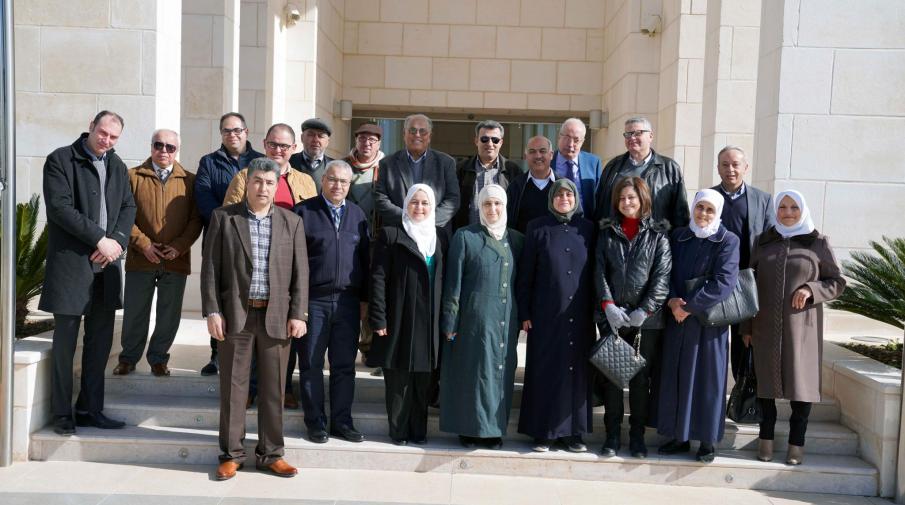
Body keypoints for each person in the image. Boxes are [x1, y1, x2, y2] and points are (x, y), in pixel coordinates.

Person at [201, 157, 309, 481]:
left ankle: (271, 454)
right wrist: (212, 310)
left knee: (274, 389)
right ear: (248, 183)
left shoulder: (292, 222)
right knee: (233, 389)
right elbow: (209, 268)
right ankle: (232, 454)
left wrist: (298, 314)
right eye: (258, 181)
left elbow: (300, 273)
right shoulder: (224, 218)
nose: (263, 187)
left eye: (269, 182)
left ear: (278, 186)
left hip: (276, 317)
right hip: (236, 315)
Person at [40, 110, 136, 436]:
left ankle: (90, 409)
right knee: (65, 346)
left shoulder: (117, 165)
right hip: (71, 268)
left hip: (106, 268)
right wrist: (100, 239)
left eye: (113, 137)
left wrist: (118, 242)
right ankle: (62, 414)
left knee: (99, 345)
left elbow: (128, 207)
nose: (106, 141)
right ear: (90, 127)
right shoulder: (60, 160)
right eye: (103, 133)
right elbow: (60, 209)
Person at [741, 190, 845, 466]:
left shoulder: (817, 243)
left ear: (803, 209)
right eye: (782, 207)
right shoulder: (763, 241)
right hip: (764, 327)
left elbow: (836, 282)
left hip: (802, 330)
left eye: (793, 207)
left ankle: (796, 445)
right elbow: (747, 287)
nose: (787, 212)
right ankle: (766, 440)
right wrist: (746, 327)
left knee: (801, 388)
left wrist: (811, 289)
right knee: (765, 388)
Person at [656, 189, 740, 463]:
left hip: (707, 324)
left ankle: (706, 441)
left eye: (709, 210)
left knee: (707, 381)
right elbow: (664, 271)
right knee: (676, 377)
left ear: (718, 213)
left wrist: (689, 307)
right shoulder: (679, 236)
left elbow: (724, 283)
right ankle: (677, 436)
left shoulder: (727, 240)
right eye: (699, 208)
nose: (703, 214)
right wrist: (671, 302)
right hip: (677, 320)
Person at [291, 160, 370, 444]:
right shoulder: (303, 212)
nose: (338, 186)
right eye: (333, 180)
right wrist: (297, 306)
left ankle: (342, 422)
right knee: (311, 364)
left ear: (350, 186)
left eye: (344, 182)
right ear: (323, 180)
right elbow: (293, 262)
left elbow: (365, 260)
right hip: (314, 301)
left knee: (344, 365)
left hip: (347, 302)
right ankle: (315, 423)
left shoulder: (358, 215)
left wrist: (363, 298)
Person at [440, 184, 525, 449]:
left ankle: (494, 430)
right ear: (479, 207)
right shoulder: (465, 237)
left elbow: (522, 283)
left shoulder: (517, 240)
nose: (492, 209)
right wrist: (450, 320)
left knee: (500, 373)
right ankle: (469, 429)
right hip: (473, 320)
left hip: (505, 319)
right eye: (487, 204)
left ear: (505, 207)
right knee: (472, 373)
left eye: (497, 204)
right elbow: (453, 284)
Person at [114, 129, 202, 377]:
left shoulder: (190, 181)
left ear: (177, 150)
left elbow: (196, 220)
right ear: (151, 146)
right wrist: (143, 244)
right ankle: (128, 359)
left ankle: (159, 359)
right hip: (141, 258)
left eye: (170, 147)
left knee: (169, 314)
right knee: (135, 312)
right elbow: (123, 215)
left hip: (176, 259)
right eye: (158, 145)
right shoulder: (132, 177)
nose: (164, 151)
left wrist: (180, 246)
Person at [594, 176, 671, 459]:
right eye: (623, 198)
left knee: (639, 381)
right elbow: (599, 270)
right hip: (613, 318)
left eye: (632, 198)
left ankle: (636, 437)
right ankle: (612, 435)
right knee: (613, 379)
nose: (627, 203)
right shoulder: (607, 232)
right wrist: (608, 305)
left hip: (644, 323)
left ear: (643, 200)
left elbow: (662, 278)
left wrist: (644, 310)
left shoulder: (658, 235)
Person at [516, 179, 595, 453]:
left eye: (568, 193)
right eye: (559, 193)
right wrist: (524, 311)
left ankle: (573, 433)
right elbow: (526, 274)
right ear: (551, 198)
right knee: (545, 370)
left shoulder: (587, 229)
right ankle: (544, 432)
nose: (564, 197)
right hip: (545, 314)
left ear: (575, 198)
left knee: (576, 373)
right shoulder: (537, 228)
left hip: (579, 315)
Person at [369, 184, 448, 445]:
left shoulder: (440, 238)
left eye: (425, 203)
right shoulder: (391, 235)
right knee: (399, 377)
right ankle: (399, 431)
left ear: (432, 207)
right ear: (406, 205)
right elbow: (378, 279)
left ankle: (418, 430)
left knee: (423, 379)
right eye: (414, 202)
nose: (419, 208)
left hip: (430, 320)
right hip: (399, 318)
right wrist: (378, 318)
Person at [195, 112, 264, 376]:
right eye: (226, 131)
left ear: (246, 132)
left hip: (257, 239)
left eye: (236, 130)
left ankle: (253, 357)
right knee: (221, 297)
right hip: (220, 237)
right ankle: (217, 354)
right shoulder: (209, 162)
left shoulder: (260, 161)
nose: (232, 135)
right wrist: (229, 224)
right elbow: (203, 198)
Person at [710, 145, 774, 380]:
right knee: (713, 344)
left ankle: (741, 399)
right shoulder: (708, 197)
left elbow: (770, 241)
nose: (731, 170)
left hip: (747, 283)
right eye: (725, 165)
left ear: (745, 167)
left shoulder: (763, 200)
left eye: (736, 164)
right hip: (714, 281)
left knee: (744, 343)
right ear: (718, 169)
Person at [595, 117, 689, 228]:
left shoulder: (670, 168)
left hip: (656, 239)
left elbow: (680, 212)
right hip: (617, 239)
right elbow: (601, 207)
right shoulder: (613, 167)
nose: (632, 138)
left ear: (651, 136)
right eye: (628, 134)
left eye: (638, 133)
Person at [342, 122, 385, 362]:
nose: (366, 143)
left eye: (372, 140)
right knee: (352, 294)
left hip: (377, 241)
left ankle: (370, 347)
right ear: (356, 141)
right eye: (362, 139)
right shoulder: (343, 166)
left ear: (378, 143)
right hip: (349, 241)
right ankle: (349, 345)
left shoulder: (386, 167)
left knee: (373, 295)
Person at [374, 114, 460, 229]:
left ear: (429, 136)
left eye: (423, 131)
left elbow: (453, 199)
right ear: (404, 134)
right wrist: (407, 220)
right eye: (412, 130)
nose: (417, 135)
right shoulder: (387, 163)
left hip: (434, 232)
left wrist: (427, 222)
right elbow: (380, 198)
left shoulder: (446, 163)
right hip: (398, 232)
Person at [223, 123, 317, 209]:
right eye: (272, 144)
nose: (277, 150)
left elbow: (312, 218)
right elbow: (230, 216)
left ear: (293, 148)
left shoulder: (306, 181)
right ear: (264, 144)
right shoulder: (244, 176)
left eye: (284, 146)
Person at [453, 120, 521, 229]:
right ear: (476, 141)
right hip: (468, 236)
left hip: (501, 237)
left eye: (495, 140)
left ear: (501, 142)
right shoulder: (460, 169)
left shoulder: (513, 170)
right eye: (484, 139)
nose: (490, 144)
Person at [506, 135, 560, 233]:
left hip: (556, 246)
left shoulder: (563, 185)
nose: (538, 156)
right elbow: (508, 221)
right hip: (523, 246)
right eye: (532, 151)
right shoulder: (516, 186)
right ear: (526, 156)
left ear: (551, 155)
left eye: (542, 151)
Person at [551, 118, 602, 218]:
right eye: (567, 137)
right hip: (552, 225)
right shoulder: (548, 160)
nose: (570, 144)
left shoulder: (593, 162)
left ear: (582, 142)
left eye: (576, 140)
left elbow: (599, 197)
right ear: (559, 137)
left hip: (584, 225)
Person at [289, 118, 334, 192]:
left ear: (327, 142)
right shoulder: (289, 162)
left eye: (321, 136)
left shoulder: (334, 166)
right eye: (311, 135)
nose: (316, 140)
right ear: (302, 138)